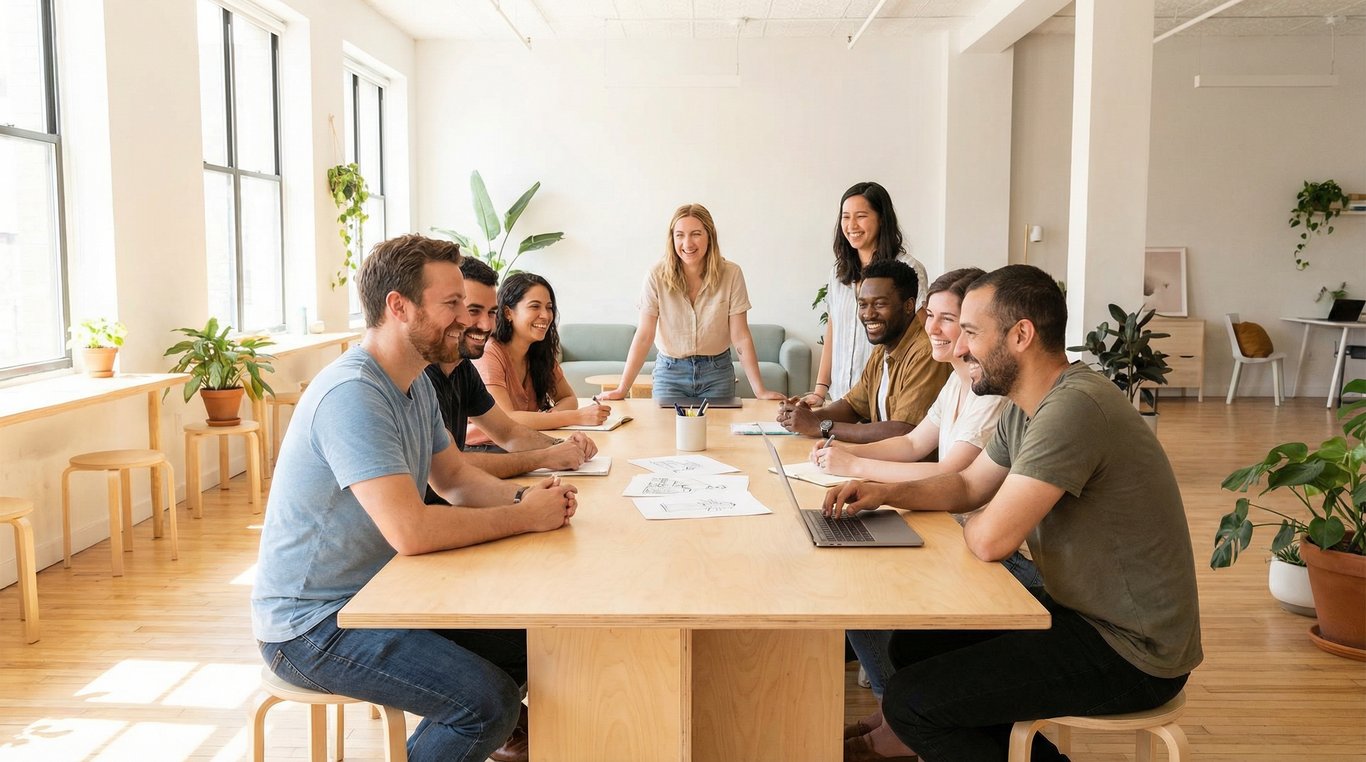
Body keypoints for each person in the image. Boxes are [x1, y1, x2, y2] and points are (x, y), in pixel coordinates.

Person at [825, 264, 1202, 762]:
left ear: (1021, 335)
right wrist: (880, 491)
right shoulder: (1028, 407)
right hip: (1083, 613)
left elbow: (989, 540)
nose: (960, 349)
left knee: (914, 702)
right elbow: (966, 485)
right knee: (913, 649)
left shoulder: (1073, 410)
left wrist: (984, 518)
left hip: (1134, 648)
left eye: (973, 333)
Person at [251, 234, 578, 762]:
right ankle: (481, 731)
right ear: (398, 307)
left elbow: (456, 480)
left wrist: (528, 496)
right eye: (451, 304)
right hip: (312, 624)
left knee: (530, 642)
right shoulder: (352, 395)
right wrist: (522, 517)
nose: (469, 320)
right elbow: (412, 532)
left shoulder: (416, 381)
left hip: (381, 596)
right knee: (487, 704)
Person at [811, 267, 1040, 758]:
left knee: (865, 589)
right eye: (930, 317)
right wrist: (858, 471)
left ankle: (901, 721)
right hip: (957, 527)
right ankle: (896, 711)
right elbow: (917, 444)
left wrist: (863, 472)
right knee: (852, 571)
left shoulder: (997, 395)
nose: (935, 329)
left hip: (990, 549)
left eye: (953, 321)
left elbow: (959, 483)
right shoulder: (959, 385)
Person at [423, 258, 598, 488]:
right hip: (464, 475)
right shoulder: (421, 376)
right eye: (473, 310)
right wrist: (545, 457)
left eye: (491, 312)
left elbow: (509, 432)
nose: (485, 325)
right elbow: (451, 467)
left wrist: (561, 445)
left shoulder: (463, 368)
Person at [599, 203, 785, 401]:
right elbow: (644, 336)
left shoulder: (731, 274)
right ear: (672, 239)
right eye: (680, 235)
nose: (687, 244)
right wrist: (622, 389)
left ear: (709, 236)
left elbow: (740, 336)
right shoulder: (656, 275)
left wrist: (760, 391)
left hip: (717, 373)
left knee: (717, 431)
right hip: (670, 373)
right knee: (664, 432)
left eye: (696, 234)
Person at [776, 260, 949, 444]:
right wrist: (807, 417)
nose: (868, 314)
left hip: (913, 470)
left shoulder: (925, 353)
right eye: (863, 304)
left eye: (880, 304)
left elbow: (902, 431)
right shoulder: (883, 348)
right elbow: (853, 406)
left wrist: (820, 426)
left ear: (908, 306)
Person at [804, 182, 929, 408]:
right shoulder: (838, 272)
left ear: (882, 218)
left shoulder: (907, 268)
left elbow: (921, 337)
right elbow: (834, 327)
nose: (852, 225)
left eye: (861, 216)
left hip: (887, 398)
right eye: (845, 217)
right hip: (842, 399)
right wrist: (820, 390)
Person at [468, 272, 611, 444]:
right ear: (508, 313)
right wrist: (576, 417)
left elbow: (568, 398)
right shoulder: (489, 353)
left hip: (520, 443)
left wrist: (547, 419)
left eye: (549, 307)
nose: (545, 315)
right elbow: (505, 419)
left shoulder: (539, 352)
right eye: (535, 306)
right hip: (485, 448)